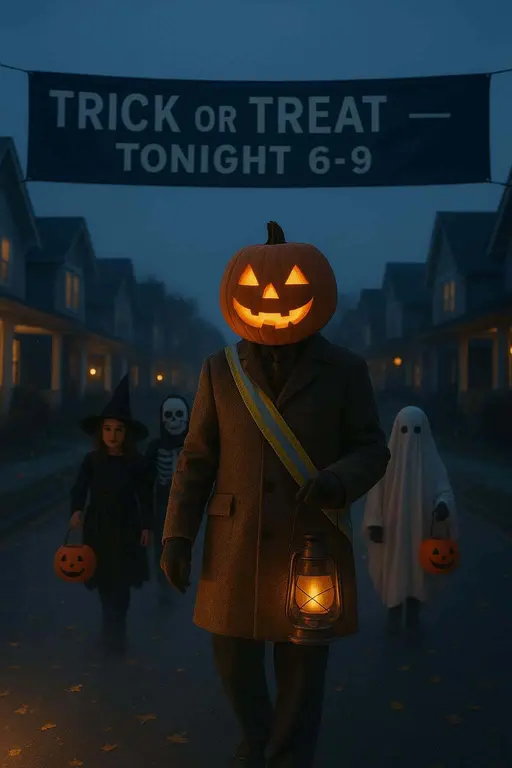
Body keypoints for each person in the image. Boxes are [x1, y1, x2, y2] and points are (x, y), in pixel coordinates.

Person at [161, 221, 390, 767]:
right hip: (234, 542)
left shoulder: (345, 371)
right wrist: (176, 535)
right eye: (255, 286)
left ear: (316, 290)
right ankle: (257, 736)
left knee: (303, 668)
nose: (271, 297)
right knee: (233, 659)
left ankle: (288, 756)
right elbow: (195, 460)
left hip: (309, 542)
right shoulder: (219, 371)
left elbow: (372, 449)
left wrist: (338, 479)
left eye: (289, 282)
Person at [69, 374, 153, 654]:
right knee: (105, 581)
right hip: (99, 527)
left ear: (126, 434)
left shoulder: (136, 463)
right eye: (107, 429)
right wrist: (77, 510)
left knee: (122, 583)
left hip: (126, 527)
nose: (112, 435)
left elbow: (145, 496)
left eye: (118, 430)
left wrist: (146, 526)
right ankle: (109, 632)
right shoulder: (92, 461)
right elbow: (80, 488)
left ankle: (118, 632)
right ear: (100, 432)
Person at [363, 405, 457, 637]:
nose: (409, 438)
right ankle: (393, 615)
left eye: (416, 430)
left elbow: (442, 489)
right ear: (397, 430)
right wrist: (375, 521)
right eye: (405, 430)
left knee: (417, 571)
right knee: (395, 569)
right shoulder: (386, 464)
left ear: (424, 431)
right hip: (393, 531)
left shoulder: (431, 463)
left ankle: (413, 616)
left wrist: (442, 506)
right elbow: (376, 492)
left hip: (421, 529)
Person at [145, 394, 189, 603]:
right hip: (163, 502)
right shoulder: (156, 447)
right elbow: (145, 479)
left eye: (179, 415)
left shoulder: (194, 445)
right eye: (169, 416)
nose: (174, 421)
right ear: (163, 419)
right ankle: (164, 584)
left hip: (190, 501)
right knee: (161, 545)